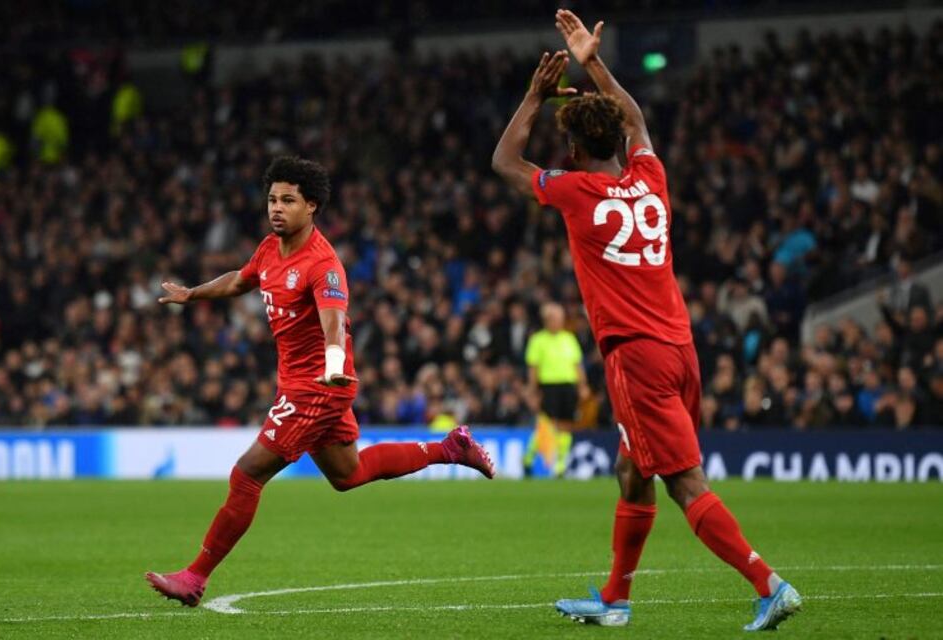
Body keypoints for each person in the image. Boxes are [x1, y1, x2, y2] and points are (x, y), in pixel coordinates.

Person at [491, 10, 800, 631]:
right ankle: (615, 598)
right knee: (632, 470)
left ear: (576, 149)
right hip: (681, 348)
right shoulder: (649, 178)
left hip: (636, 357)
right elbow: (634, 118)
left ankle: (769, 583)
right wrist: (594, 63)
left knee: (685, 483)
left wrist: (533, 95)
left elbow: (505, 162)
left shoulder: (576, 191)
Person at [145, 156, 495, 607]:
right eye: (272, 199)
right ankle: (450, 448)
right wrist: (193, 294)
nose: (276, 208)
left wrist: (332, 367)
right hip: (302, 383)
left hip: (319, 385)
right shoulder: (270, 249)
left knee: (247, 473)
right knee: (348, 475)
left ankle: (195, 576)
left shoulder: (322, 264)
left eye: (288, 200)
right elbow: (239, 281)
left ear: (311, 206)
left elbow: (334, 324)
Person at [523, 302, 588, 477]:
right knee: (547, 425)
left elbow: (577, 365)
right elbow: (533, 368)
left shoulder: (569, 338)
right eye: (556, 319)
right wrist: (533, 390)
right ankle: (529, 457)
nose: (559, 322)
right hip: (549, 387)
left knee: (566, 424)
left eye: (561, 319)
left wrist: (582, 385)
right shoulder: (538, 340)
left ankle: (560, 465)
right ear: (547, 320)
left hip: (568, 386)